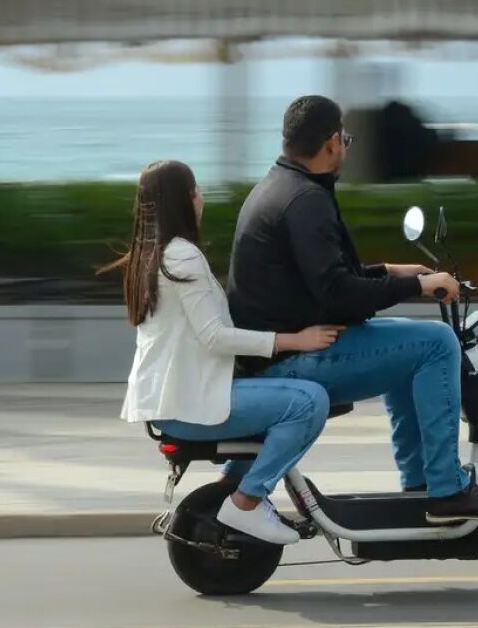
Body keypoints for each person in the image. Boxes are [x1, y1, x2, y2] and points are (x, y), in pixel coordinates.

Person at [227, 96, 478, 524]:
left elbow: (320, 279)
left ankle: (421, 483)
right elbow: (338, 294)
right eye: (345, 140)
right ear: (332, 142)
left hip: (283, 352)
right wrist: (418, 286)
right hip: (296, 361)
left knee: (409, 344)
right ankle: (447, 489)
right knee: (437, 342)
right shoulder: (305, 200)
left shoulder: (279, 187)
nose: (346, 148)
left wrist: (390, 271)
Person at [108, 160, 342, 545]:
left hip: (172, 401)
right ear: (185, 200)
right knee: (308, 402)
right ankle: (247, 502)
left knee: (280, 399)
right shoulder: (182, 256)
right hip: (188, 404)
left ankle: (227, 491)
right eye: (196, 190)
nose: (201, 197)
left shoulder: (149, 255)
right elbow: (215, 337)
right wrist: (294, 340)